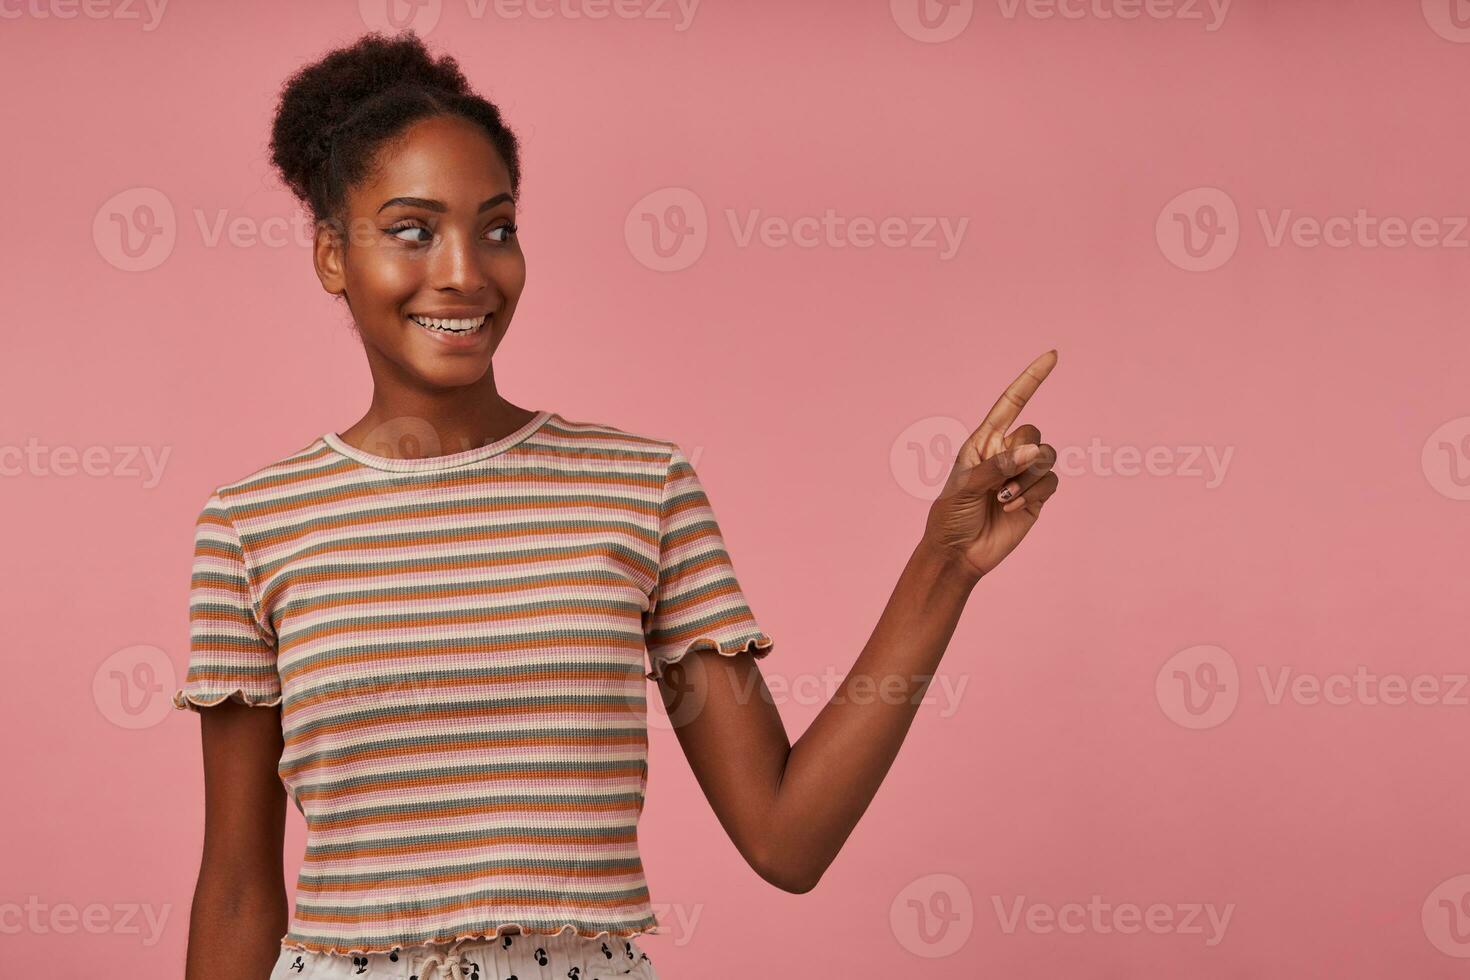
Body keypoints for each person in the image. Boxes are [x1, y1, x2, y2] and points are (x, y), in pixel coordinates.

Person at [173, 29, 1062, 980]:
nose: (467, 271)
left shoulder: (638, 489)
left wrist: (945, 564)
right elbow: (236, 887)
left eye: (498, 226)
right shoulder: (253, 526)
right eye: (412, 229)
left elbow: (787, 838)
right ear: (330, 256)